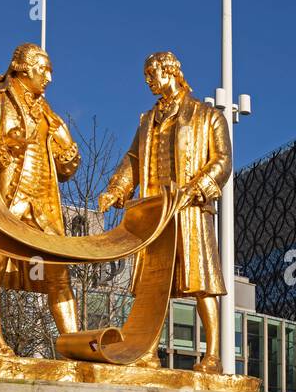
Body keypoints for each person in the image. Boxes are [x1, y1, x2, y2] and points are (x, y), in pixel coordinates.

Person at [99, 51, 231, 372]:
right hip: (154, 211)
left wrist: (195, 187)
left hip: (190, 209)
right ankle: (147, 351)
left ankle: (212, 355)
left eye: (151, 74)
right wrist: (116, 189)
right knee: (151, 285)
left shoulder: (206, 115)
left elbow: (222, 161)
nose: (148, 81)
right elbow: (133, 160)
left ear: (169, 71)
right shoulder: (147, 121)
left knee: (202, 282)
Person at [0, 44, 81, 354]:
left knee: (58, 273)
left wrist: (66, 144)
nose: (49, 77)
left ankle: (75, 344)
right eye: (44, 69)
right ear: (23, 68)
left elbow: (66, 170)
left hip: (44, 204)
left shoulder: (48, 114)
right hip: (4, 198)